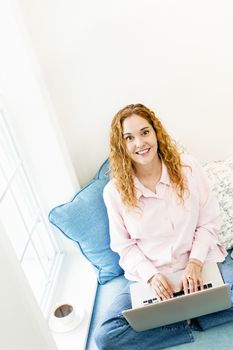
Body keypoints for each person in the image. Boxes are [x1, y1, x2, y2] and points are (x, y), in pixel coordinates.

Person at [94, 103, 233, 350]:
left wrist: (195, 263)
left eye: (145, 132)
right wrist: (152, 276)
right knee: (107, 336)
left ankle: (192, 312)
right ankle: (185, 322)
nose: (140, 143)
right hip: (152, 277)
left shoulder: (188, 168)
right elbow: (124, 247)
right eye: (129, 137)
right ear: (122, 146)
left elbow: (208, 221)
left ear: (156, 133)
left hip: (200, 264)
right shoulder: (113, 193)